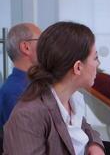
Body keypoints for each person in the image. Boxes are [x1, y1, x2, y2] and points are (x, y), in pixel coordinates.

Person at [3, 21, 104, 155]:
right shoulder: (27, 114)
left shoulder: (71, 101)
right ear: (78, 67)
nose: (99, 63)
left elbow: (86, 128)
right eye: (95, 57)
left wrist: (95, 144)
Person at [0, 22, 41, 127]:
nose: (45, 47)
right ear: (26, 47)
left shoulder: (33, 85)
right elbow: (27, 140)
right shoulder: (14, 92)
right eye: (41, 41)